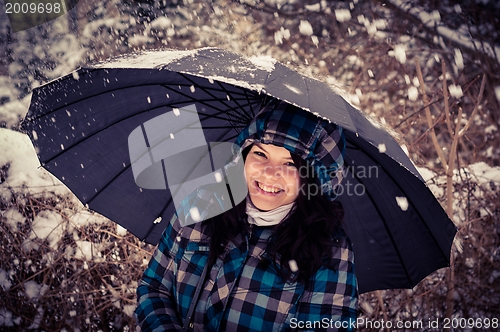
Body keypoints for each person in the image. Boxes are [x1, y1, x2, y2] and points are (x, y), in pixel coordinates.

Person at [135, 99, 359, 331]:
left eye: (291, 164)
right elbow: (154, 287)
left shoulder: (329, 250)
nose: (269, 173)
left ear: (313, 179)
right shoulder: (200, 206)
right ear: (243, 155)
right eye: (261, 154)